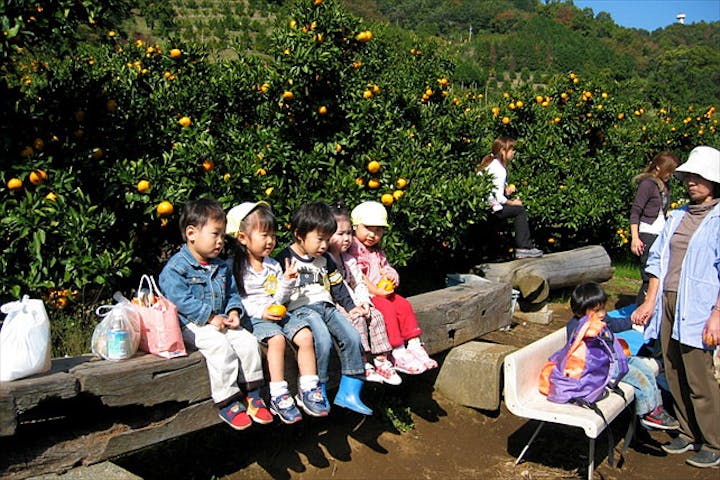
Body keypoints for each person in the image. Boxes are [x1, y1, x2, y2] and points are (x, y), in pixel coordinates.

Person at [632, 145, 720, 469]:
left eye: (699, 177)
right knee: (673, 369)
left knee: (699, 377)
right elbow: (657, 261)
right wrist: (650, 301)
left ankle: (713, 440)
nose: (691, 182)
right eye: (689, 177)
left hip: (699, 307)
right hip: (669, 301)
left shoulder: (718, 218)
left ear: (713, 180)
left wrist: (717, 315)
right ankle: (686, 431)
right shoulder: (679, 215)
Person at [159, 198, 272, 430]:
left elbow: (231, 293)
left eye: (222, 236)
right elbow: (181, 301)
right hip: (192, 325)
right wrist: (210, 317)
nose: (220, 241)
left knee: (248, 342)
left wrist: (233, 311)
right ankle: (227, 401)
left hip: (221, 320)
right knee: (219, 346)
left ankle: (253, 393)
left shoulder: (221, 266)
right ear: (191, 233)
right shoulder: (176, 268)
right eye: (215, 234)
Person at [226, 201, 330, 424]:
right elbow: (239, 301)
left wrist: (286, 282)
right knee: (277, 340)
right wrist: (262, 312)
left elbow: (278, 298)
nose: (270, 241)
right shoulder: (236, 268)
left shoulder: (273, 265)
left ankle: (309, 387)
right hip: (254, 318)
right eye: (264, 235)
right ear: (242, 238)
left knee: (305, 335)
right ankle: (278, 393)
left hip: (277, 313)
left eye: (272, 235)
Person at [275, 201, 373, 415]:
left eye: (327, 240)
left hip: (327, 307)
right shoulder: (284, 259)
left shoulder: (325, 259)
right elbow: (277, 295)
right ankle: (313, 389)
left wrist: (351, 306)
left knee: (352, 337)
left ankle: (349, 391)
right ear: (300, 235)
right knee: (322, 339)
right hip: (301, 310)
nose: (323, 245)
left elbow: (338, 286)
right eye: (319, 239)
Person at [566, 283, 678, 430]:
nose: (601, 314)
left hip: (615, 358)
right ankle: (647, 411)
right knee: (637, 376)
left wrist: (633, 321)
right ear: (580, 312)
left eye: (603, 309)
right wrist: (589, 331)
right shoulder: (577, 326)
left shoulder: (602, 319)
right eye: (595, 311)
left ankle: (655, 408)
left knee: (646, 370)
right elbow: (578, 351)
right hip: (598, 366)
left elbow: (617, 324)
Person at [348, 201, 437, 375]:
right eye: (368, 228)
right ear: (355, 227)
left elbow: (384, 266)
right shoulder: (353, 250)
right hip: (366, 296)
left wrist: (391, 274)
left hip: (381, 293)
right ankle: (397, 351)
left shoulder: (376, 250)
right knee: (387, 309)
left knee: (403, 304)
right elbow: (357, 276)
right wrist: (376, 291)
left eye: (378, 230)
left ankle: (414, 344)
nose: (373, 234)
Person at [328, 203, 402, 386]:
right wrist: (354, 305)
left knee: (375, 315)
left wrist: (364, 301)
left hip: (353, 300)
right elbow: (338, 288)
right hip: (336, 304)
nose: (346, 239)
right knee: (358, 319)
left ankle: (381, 359)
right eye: (340, 234)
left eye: (347, 234)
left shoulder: (348, 259)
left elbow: (357, 282)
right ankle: (362, 361)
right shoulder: (326, 260)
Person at [477, 137, 543, 259]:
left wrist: (505, 189)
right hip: (490, 206)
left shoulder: (492, 164)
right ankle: (524, 248)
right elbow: (497, 197)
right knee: (519, 210)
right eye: (511, 149)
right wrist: (513, 203)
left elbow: (492, 187)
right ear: (503, 151)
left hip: (482, 205)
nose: (514, 153)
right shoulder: (499, 169)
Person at [630, 152, 680, 305]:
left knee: (658, 274)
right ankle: (639, 317)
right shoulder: (647, 184)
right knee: (648, 275)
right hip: (647, 233)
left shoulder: (664, 186)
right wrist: (635, 238)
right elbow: (635, 211)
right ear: (658, 167)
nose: (670, 175)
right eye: (668, 170)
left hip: (660, 233)